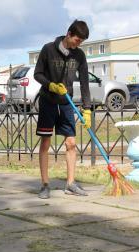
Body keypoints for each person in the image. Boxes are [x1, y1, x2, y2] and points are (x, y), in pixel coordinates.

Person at [34, 20, 92, 199]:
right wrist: (50, 85)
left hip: (67, 103)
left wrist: (87, 108)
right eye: (77, 40)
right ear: (68, 34)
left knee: (71, 143)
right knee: (45, 143)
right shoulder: (48, 49)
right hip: (48, 101)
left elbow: (84, 82)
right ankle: (44, 184)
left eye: (81, 42)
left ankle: (71, 184)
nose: (78, 44)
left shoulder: (79, 55)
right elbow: (37, 74)